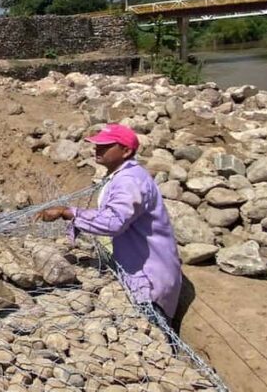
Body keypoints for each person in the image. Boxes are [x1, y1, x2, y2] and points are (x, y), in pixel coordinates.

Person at [36, 124, 182, 324]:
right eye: (98, 145)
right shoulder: (123, 175)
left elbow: (113, 222)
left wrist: (67, 213)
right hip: (143, 268)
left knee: (154, 330)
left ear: (126, 151)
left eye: (106, 146)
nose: (98, 149)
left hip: (148, 279)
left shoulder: (129, 181)